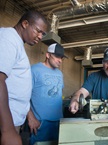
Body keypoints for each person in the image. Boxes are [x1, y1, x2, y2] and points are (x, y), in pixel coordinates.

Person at [0, 10, 49, 145]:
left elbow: (16, 88)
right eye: (38, 31)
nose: (40, 37)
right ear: (25, 23)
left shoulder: (17, 44)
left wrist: (29, 115)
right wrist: (8, 130)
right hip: (5, 125)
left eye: (43, 34)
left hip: (13, 122)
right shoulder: (8, 38)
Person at [27, 43, 67, 145]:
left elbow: (59, 94)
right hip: (40, 122)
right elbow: (23, 96)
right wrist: (31, 118)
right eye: (57, 56)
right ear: (48, 55)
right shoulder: (34, 70)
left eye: (62, 57)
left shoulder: (59, 73)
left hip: (58, 121)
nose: (60, 60)